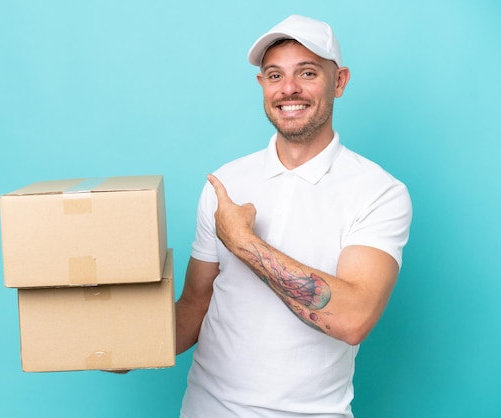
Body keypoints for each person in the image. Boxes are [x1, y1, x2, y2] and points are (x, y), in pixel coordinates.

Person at [175, 14, 412, 417]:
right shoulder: (226, 183)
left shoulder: (379, 192)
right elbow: (196, 304)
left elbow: (353, 318)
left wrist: (244, 243)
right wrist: (130, 345)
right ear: (261, 85)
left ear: (339, 82)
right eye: (274, 75)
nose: (288, 90)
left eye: (306, 73)